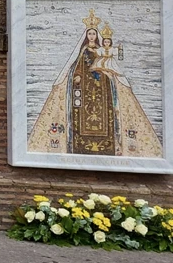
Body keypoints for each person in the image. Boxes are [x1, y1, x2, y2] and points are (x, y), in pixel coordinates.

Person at [29, 9, 162, 157]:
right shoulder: (84, 50)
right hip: (84, 88)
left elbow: (110, 65)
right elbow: (77, 66)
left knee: (106, 115)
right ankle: (79, 145)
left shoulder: (102, 50)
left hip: (103, 88)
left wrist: (109, 74)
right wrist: (78, 76)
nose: (91, 36)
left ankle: (110, 146)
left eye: (93, 34)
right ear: (86, 36)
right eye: (89, 34)